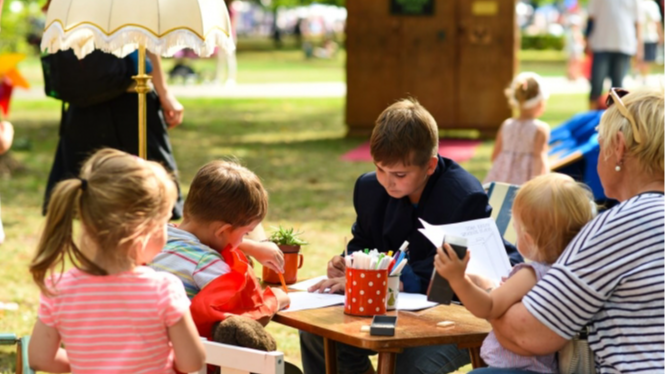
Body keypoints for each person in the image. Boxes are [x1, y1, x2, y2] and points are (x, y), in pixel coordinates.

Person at [302, 99, 523, 374]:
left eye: (399, 174)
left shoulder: (461, 195)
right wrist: (352, 263)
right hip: (395, 307)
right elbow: (363, 240)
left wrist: (384, 279)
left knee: (409, 365)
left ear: (430, 165)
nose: (386, 181)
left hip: (461, 309)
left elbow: (448, 276)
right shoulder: (370, 188)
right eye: (379, 168)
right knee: (318, 336)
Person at [484, 88, 665, 373]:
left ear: (619, 148)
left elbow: (527, 333)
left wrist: (488, 296)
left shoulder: (619, 226)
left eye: (601, 142)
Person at [27, 149, 205, 373]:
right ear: (144, 229)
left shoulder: (59, 289)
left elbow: (39, 359)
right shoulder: (164, 289)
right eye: (166, 222)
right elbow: (192, 362)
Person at [435, 173, 596, 374]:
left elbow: (488, 307)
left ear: (527, 239)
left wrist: (458, 279)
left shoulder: (531, 274)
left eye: (517, 229)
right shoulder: (570, 275)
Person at [149, 160, 290, 339]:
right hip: (186, 360)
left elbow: (192, 242)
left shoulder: (154, 237)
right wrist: (276, 300)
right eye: (246, 233)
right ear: (222, 230)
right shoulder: (209, 266)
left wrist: (252, 247)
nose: (242, 241)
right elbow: (240, 321)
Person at [484, 72, 550, 186]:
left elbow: (495, 155)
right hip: (525, 182)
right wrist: (540, 184)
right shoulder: (540, 129)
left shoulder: (507, 124)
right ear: (540, 102)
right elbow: (539, 159)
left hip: (501, 180)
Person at [586, 0, 642, 109]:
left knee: (618, 88)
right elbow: (591, 18)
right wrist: (587, 39)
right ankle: (591, 116)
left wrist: (639, 47)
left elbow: (638, 22)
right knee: (596, 84)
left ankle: (615, 120)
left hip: (624, 44)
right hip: (601, 44)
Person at [637, 0, 663, 82]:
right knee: (646, 59)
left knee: (641, 58)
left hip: (641, 36)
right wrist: (660, 34)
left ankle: (641, 76)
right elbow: (657, 22)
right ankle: (643, 78)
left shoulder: (638, 3)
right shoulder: (652, 5)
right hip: (648, 36)